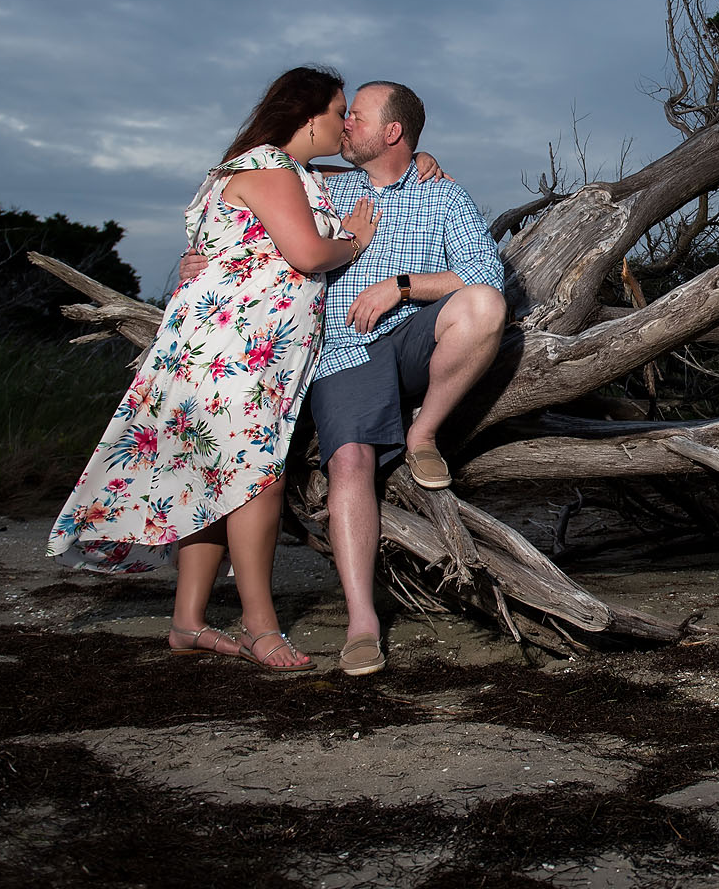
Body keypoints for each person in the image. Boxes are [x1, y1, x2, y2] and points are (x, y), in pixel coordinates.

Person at [48, 66, 377, 672]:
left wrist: (424, 157)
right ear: (308, 116)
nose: (345, 124)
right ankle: (260, 627)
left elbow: (312, 193)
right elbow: (307, 254)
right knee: (256, 481)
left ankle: (187, 623)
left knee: (212, 481)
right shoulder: (268, 168)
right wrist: (353, 242)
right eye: (339, 112)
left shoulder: (269, 170)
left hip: (238, 350)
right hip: (232, 352)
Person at [186, 80, 507, 677]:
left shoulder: (445, 197)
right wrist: (199, 256)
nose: (345, 124)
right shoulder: (325, 191)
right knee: (351, 461)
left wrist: (402, 287)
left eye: (356, 116)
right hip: (342, 351)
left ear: (392, 132)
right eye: (344, 115)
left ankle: (423, 435)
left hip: (416, 339)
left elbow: (484, 275)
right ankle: (363, 622)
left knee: (485, 304)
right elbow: (256, 196)